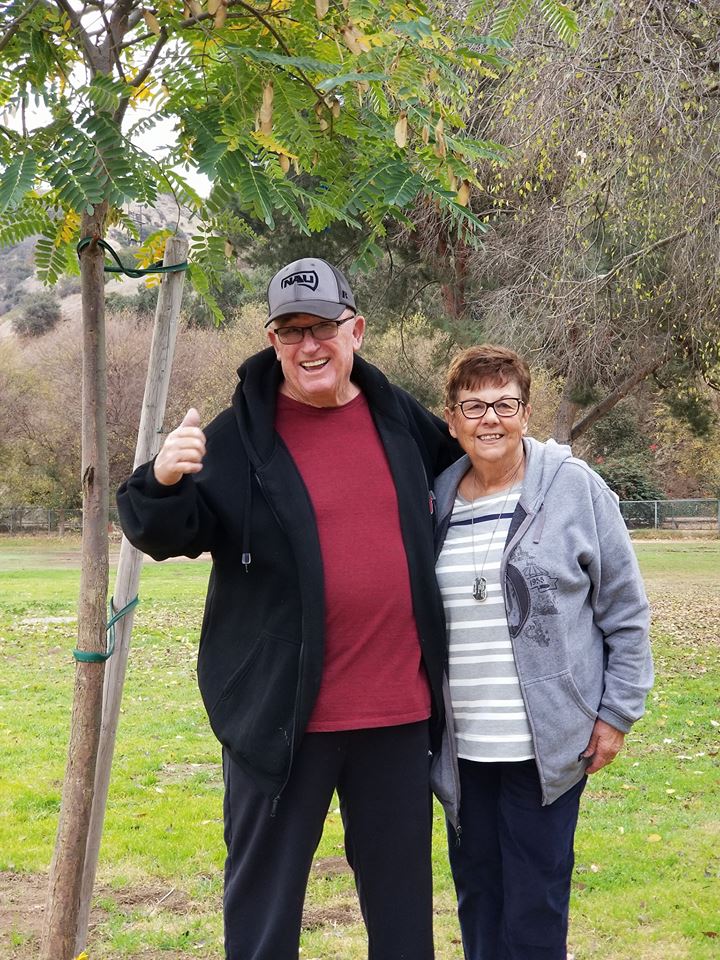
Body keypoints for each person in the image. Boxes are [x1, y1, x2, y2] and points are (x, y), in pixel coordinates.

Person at [117, 257, 459, 960]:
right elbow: (166, 534)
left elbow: (476, 470)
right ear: (271, 340)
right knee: (264, 916)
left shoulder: (401, 421)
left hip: (396, 716)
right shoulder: (237, 439)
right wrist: (159, 478)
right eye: (291, 330)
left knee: (403, 919)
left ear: (355, 330)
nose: (310, 345)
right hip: (280, 725)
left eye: (324, 327)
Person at [431, 345, 653, 960]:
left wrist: (615, 715)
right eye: (473, 406)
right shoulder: (436, 501)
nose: (490, 419)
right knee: (478, 898)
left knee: (534, 904)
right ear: (451, 420)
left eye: (504, 403)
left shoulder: (573, 489)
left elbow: (626, 612)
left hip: (548, 746)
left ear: (525, 413)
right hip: (464, 748)